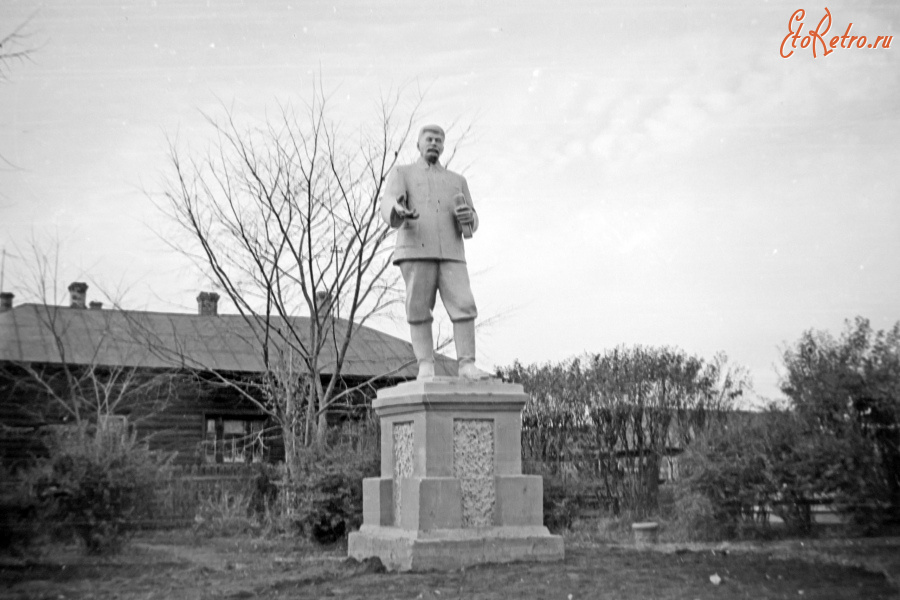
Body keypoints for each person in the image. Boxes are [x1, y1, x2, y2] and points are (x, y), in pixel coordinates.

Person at [380, 124, 491, 380]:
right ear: (418, 144)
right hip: (416, 249)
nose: (434, 143)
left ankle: (466, 365)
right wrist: (398, 210)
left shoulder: (457, 180)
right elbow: (389, 202)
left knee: (464, 304)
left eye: (439, 140)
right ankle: (425, 366)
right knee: (418, 308)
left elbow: (472, 219)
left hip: (451, 252)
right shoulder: (402, 173)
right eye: (429, 139)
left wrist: (468, 217)